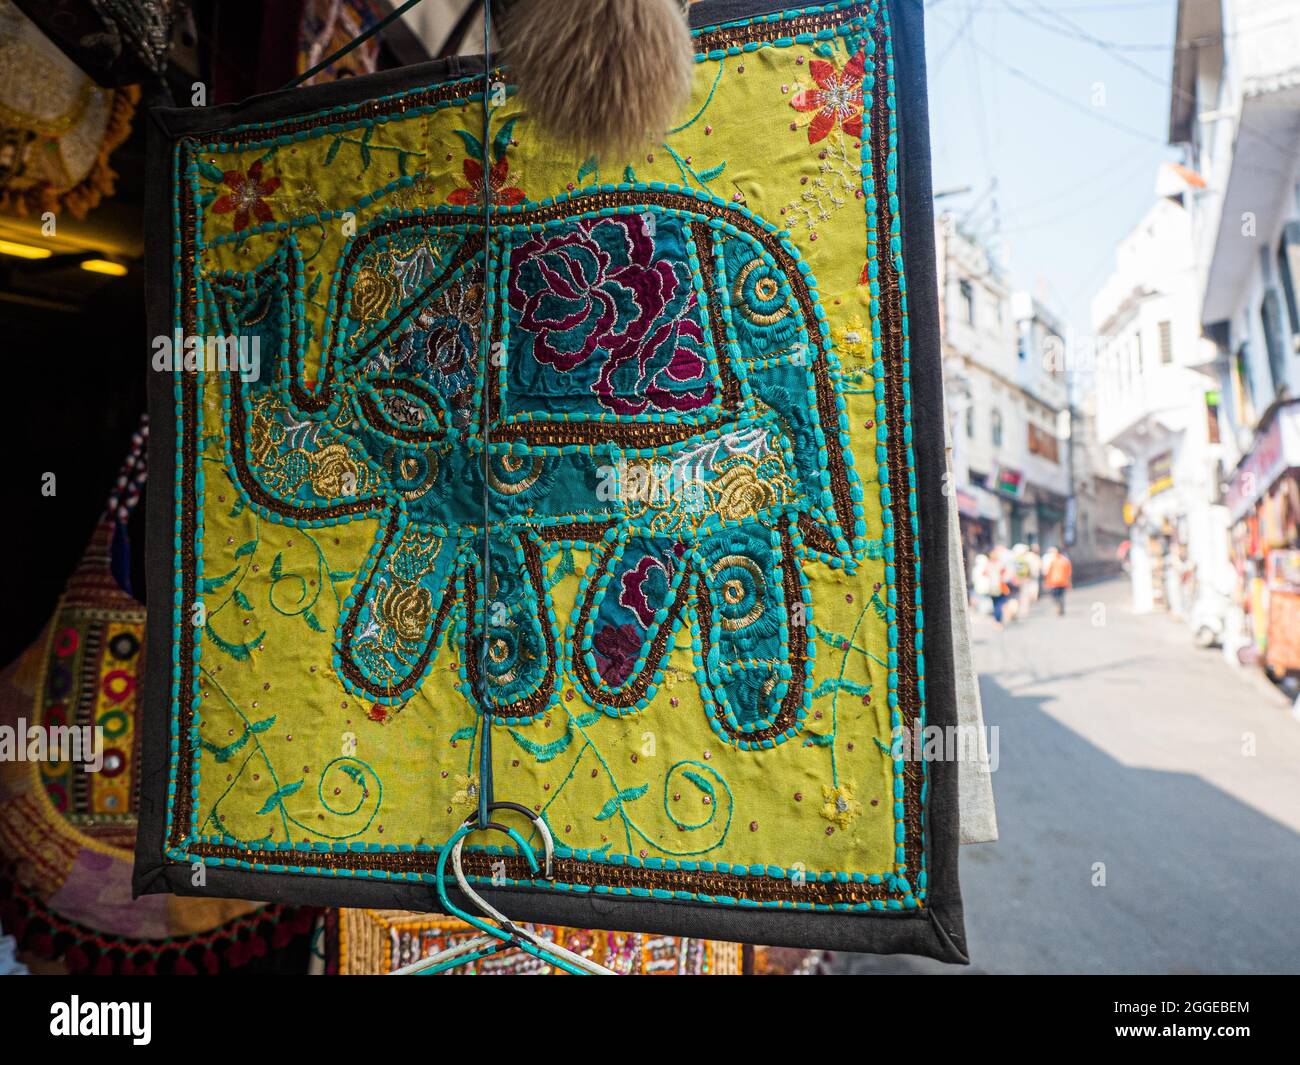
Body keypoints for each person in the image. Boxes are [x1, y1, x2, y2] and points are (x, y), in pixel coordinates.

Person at [1043, 546, 1073, 616]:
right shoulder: (1064, 561)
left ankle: (1059, 606)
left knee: (1056, 596)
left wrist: (1047, 582)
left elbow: (1049, 572)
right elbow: (1069, 573)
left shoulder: (1056, 561)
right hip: (1059, 581)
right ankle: (1060, 606)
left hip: (1056, 582)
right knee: (1059, 596)